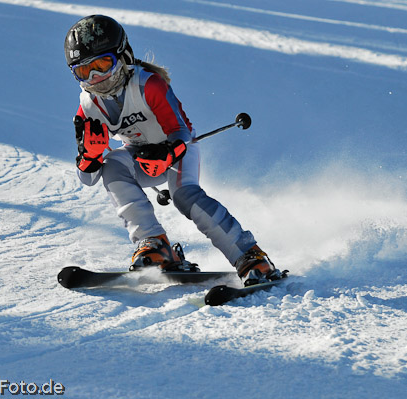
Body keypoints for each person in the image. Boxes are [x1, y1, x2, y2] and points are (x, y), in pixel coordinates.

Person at [64, 15, 282, 286]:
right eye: (84, 71)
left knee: (184, 196)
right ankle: (155, 243)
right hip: (139, 159)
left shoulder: (148, 85)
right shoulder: (88, 106)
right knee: (112, 164)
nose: (96, 78)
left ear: (123, 56)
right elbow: (88, 179)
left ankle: (249, 256)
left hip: (180, 150)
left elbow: (179, 131)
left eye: (102, 64)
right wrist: (89, 157)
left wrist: (167, 154)